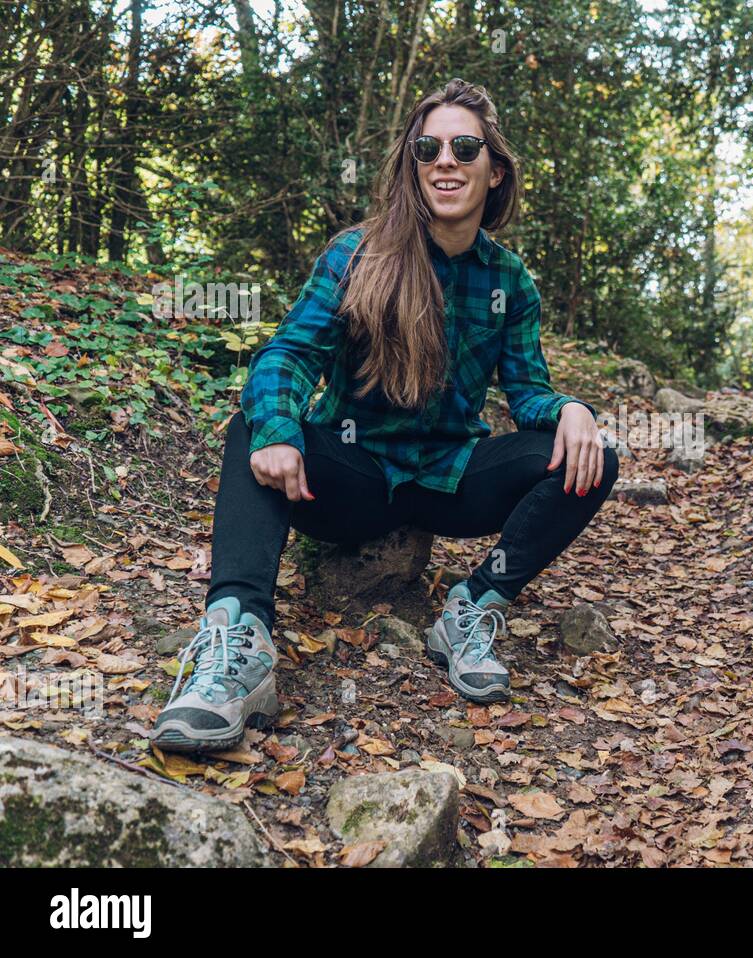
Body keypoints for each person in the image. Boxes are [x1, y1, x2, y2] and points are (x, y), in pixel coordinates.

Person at [153, 78, 617, 754]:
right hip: (351, 480)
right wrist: (282, 433)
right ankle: (235, 644)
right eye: (427, 148)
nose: (445, 161)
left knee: (595, 454)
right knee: (256, 420)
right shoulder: (357, 254)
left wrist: (572, 409)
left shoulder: (510, 281)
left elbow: (528, 393)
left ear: (495, 169)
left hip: (450, 482)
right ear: (412, 163)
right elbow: (286, 356)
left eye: (465, 147)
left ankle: (474, 606)